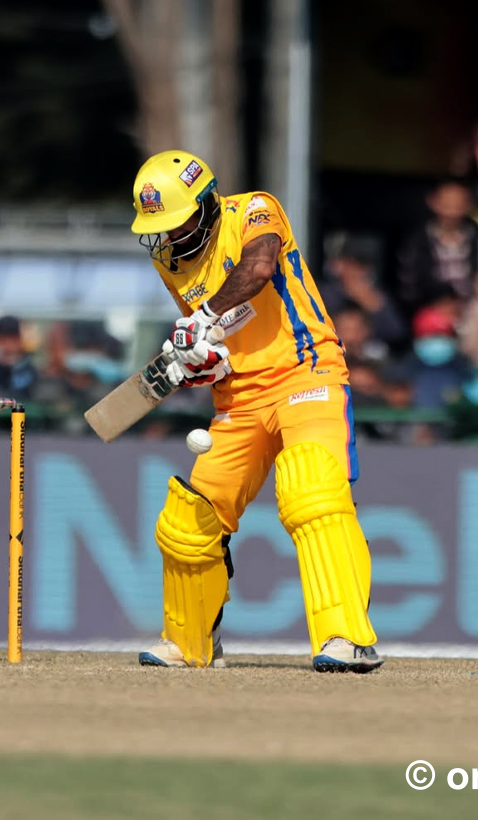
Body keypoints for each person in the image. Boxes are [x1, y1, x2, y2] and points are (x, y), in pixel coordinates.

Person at [126, 150, 382, 673]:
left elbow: (259, 269)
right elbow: (216, 333)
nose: (171, 237)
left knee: (312, 491)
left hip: (306, 372)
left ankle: (346, 639)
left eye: (178, 223)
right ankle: (190, 643)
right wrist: (205, 362)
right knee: (188, 520)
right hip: (239, 397)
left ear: (206, 204)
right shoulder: (169, 261)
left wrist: (203, 317)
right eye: (161, 229)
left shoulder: (253, 211)